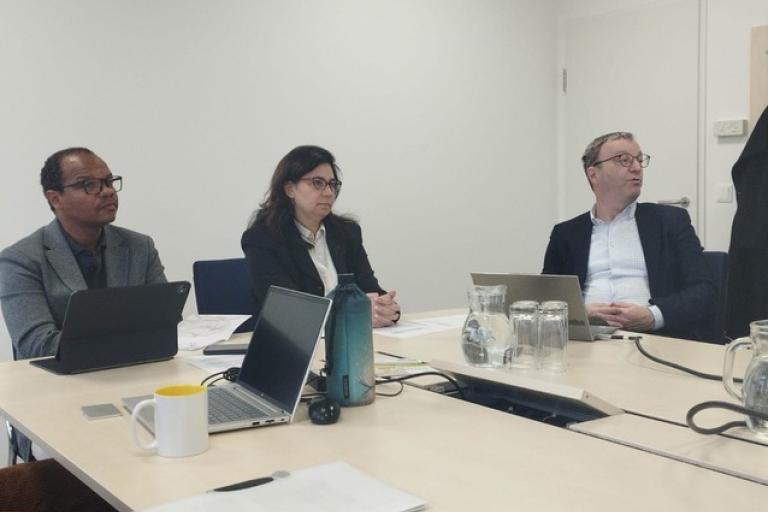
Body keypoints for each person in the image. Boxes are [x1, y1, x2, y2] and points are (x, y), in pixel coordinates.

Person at [0, 147, 167, 461]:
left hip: (137, 385)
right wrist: (127, 340)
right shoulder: (20, 259)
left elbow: (162, 323)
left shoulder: (138, 247)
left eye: (108, 181)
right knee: (85, 455)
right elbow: (37, 345)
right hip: (56, 396)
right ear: (55, 198)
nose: (106, 191)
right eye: (88, 184)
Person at [542, 132, 716, 341]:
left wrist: (653, 316)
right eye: (623, 160)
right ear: (593, 174)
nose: (636, 168)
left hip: (654, 340)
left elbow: (704, 291)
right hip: (585, 341)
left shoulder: (670, 221)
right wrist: (581, 313)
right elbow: (546, 299)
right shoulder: (566, 234)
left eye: (639, 160)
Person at [241, 145, 400, 327]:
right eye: (317, 183)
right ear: (289, 189)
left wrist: (387, 308)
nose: (328, 192)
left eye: (332, 184)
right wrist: (353, 312)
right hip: (297, 344)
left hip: (349, 338)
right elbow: (287, 310)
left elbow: (369, 289)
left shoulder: (347, 233)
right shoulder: (262, 239)